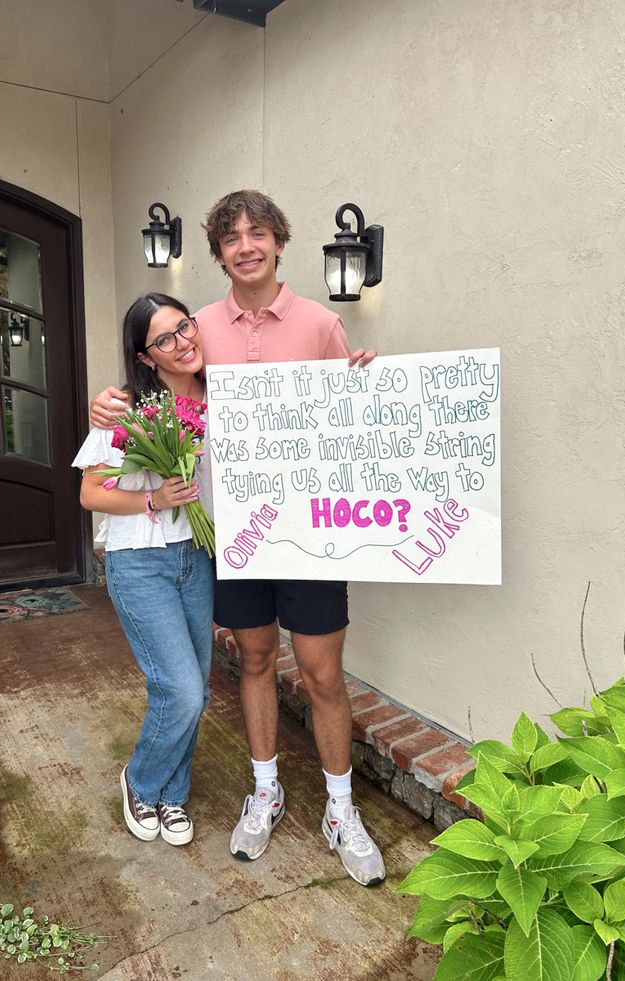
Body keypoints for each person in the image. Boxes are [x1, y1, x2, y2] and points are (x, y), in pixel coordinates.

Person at [90, 190, 385, 886]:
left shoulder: (318, 324)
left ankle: (341, 809)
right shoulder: (201, 329)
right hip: (237, 538)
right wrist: (105, 402)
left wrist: (376, 384)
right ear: (219, 252)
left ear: (280, 241)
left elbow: (354, 422)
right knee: (254, 662)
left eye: (259, 233)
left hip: (311, 534)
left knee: (321, 675)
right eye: (232, 236)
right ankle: (265, 789)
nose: (246, 245)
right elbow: (155, 379)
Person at [74, 292, 214, 847]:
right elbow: (90, 491)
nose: (182, 343)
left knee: (198, 687)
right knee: (177, 687)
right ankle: (141, 779)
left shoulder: (221, 394)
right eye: (164, 339)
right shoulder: (126, 408)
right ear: (145, 355)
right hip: (140, 563)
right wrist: (154, 499)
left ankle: (173, 795)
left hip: (198, 557)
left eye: (185, 327)